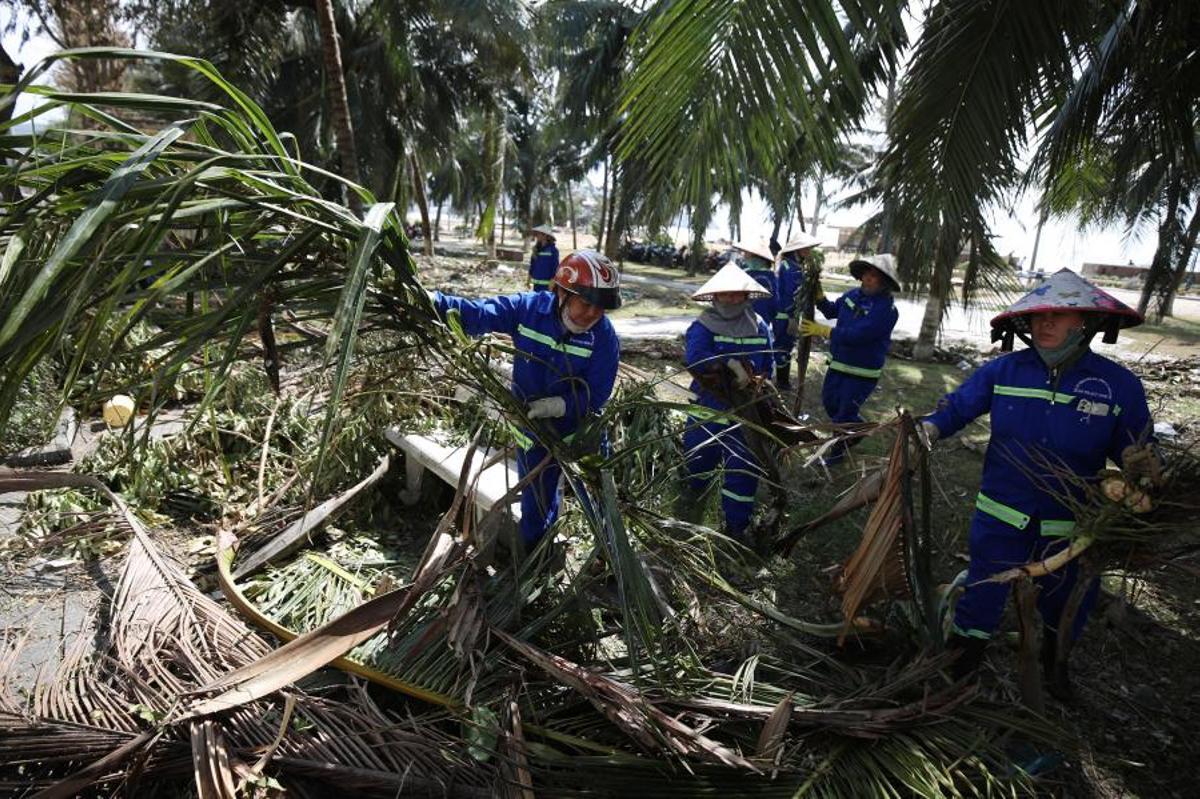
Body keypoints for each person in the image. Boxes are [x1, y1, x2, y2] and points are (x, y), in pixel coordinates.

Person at [922, 269, 1156, 698]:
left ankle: (1055, 666)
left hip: (1071, 523)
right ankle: (962, 663)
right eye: (1038, 316)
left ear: (1084, 323)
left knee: (1068, 599)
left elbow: (1137, 448)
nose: (1045, 324)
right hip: (1001, 510)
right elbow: (957, 408)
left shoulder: (1119, 386)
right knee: (984, 588)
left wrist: (1138, 470)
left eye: (1058, 316)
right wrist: (931, 428)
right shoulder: (1004, 371)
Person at [432, 249, 622, 550]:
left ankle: (613, 558)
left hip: (582, 434)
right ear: (562, 292)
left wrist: (559, 405)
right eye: (586, 304)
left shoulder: (603, 336)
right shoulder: (528, 310)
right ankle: (539, 556)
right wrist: (432, 302)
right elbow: (476, 314)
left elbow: (597, 394)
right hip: (533, 432)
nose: (592, 315)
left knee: (600, 502)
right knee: (536, 504)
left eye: (601, 309)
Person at [680, 262, 775, 542]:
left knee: (743, 467)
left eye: (737, 294)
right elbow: (695, 358)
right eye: (725, 294)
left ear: (747, 296)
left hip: (746, 414)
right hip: (708, 410)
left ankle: (736, 524)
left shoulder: (760, 327)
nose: (732, 299)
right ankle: (692, 496)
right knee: (698, 460)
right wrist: (727, 363)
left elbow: (766, 362)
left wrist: (758, 379)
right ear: (715, 296)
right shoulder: (703, 326)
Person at [801, 253, 900, 464]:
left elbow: (860, 335)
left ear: (884, 281)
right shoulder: (852, 295)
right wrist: (818, 295)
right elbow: (830, 311)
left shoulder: (887, 310)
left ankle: (836, 455)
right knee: (830, 403)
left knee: (843, 414)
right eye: (866, 274)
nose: (868, 279)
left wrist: (824, 332)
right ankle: (860, 428)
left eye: (874, 276)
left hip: (862, 372)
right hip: (839, 364)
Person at [773, 233, 822, 389]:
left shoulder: (795, 266)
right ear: (797, 249)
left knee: (786, 346)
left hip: (790, 314)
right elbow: (790, 294)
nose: (808, 251)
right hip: (785, 315)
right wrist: (791, 316)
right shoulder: (789, 267)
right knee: (783, 347)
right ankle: (781, 382)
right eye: (805, 248)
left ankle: (783, 380)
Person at [732, 241, 778, 345]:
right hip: (750, 322)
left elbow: (775, 303)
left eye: (747, 254)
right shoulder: (771, 277)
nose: (744, 256)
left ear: (757, 257)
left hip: (754, 322)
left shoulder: (745, 275)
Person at [527, 224, 559, 292]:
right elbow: (532, 266)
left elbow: (555, 268)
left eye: (538, 234)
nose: (536, 236)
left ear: (545, 235)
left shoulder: (553, 250)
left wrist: (552, 283)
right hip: (536, 285)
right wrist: (528, 280)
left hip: (547, 286)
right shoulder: (536, 250)